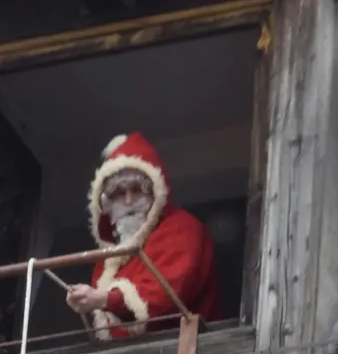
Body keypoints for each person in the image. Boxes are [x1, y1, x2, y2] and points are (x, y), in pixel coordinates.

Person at [65, 131, 221, 340]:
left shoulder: (182, 229)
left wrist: (104, 300)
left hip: (186, 353)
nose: (129, 201)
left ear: (154, 192)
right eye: (119, 192)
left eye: (137, 190)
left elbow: (164, 293)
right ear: (107, 202)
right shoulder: (108, 261)